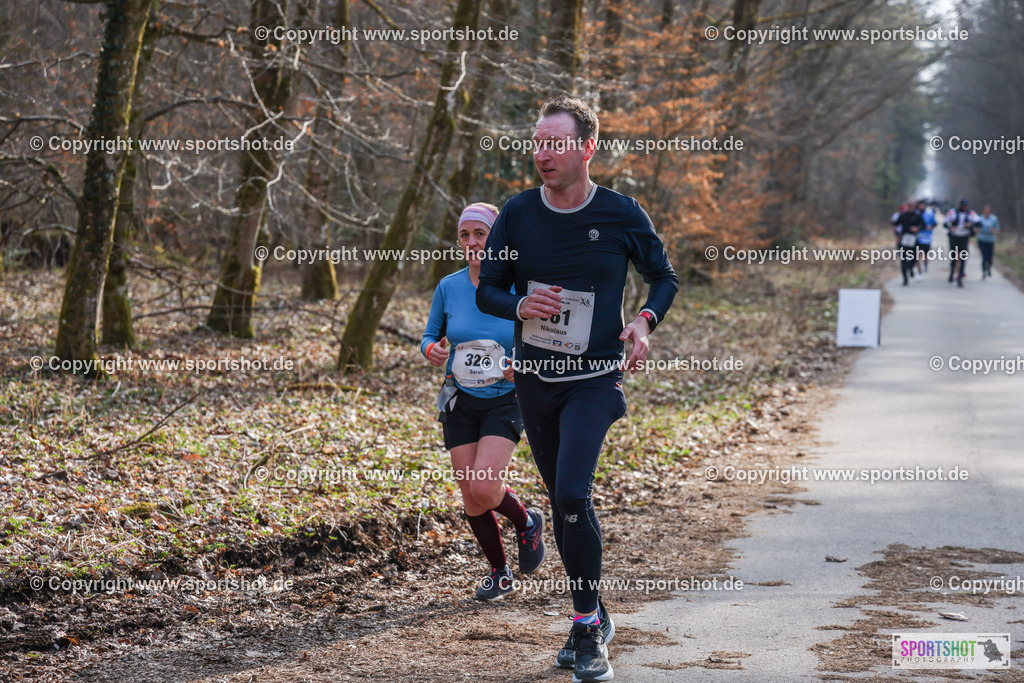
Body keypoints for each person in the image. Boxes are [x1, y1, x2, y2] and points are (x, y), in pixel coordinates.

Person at [477, 95, 678, 682]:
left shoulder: (620, 214)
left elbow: (663, 278)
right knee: (566, 512)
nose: (543, 154)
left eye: (556, 143)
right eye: (537, 143)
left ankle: (587, 630)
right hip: (535, 381)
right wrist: (518, 302)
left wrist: (644, 322)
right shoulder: (517, 214)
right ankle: (592, 610)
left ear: (587, 148)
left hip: (592, 380)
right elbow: (489, 288)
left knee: (569, 495)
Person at [421, 202, 546, 602]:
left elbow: (544, 341)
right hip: (459, 399)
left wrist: (521, 364)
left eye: (481, 234)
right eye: (465, 235)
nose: (473, 242)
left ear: (495, 239)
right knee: (470, 494)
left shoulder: (519, 287)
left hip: (506, 399)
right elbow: (430, 336)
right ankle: (499, 573)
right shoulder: (449, 287)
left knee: (486, 485)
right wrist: (431, 352)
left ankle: (527, 521)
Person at [945, 199, 979, 288]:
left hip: (964, 237)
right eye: (963, 205)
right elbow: (945, 223)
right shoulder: (952, 212)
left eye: (966, 206)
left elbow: (979, 223)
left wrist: (970, 225)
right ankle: (952, 272)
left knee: (963, 257)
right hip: (954, 237)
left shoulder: (970, 214)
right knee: (953, 257)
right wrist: (951, 227)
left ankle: (960, 278)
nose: (964, 207)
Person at [894, 203, 923, 286]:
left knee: (914, 258)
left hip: (914, 240)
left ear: (914, 207)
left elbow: (922, 225)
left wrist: (917, 228)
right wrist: (897, 233)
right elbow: (895, 224)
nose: (910, 208)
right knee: (903, 259)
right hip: (904, 240)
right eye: (909, 206)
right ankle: (905, 279)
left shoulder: (917, 216)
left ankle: (910, 268)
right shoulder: (903, 216)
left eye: (912, 206)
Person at [976, 205, 1000, 279]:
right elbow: (976, 229)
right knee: (984, 256)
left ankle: (989, 267)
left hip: (990, 240)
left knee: (989, 256)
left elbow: (997, 230)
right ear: (984, 211)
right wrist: (977, 230)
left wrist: (993, 230)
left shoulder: (994, 219)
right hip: (982, 239)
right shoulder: (980, 218)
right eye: (986, 211)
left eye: (988, 211)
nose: (987, 213)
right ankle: (983, 272)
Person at [916, 201, 937, 278]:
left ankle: (925, 264)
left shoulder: (930, 213)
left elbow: (935, 223)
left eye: (922, 205)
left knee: (925, 255)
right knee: (918, 255)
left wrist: (930, 226)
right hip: (918, 237)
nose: (921, 206)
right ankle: (919, 271)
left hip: (927, 238)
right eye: (920, 205)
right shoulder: (916, 214)